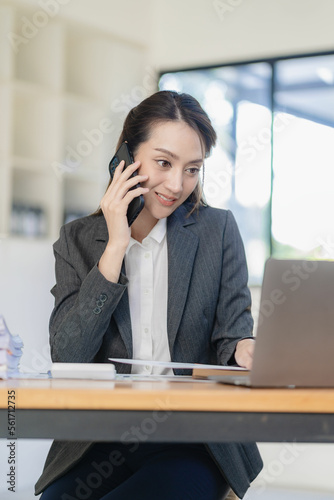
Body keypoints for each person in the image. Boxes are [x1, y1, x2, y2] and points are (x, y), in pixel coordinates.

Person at [35, 90, 262, 499]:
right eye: (163, 163)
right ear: (126, 157)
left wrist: (248, 349)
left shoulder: (218, 231)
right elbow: (68, 355)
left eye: (192, 169)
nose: (177, 184)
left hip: (192, 439)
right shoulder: (79, 240)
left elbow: (233, 335)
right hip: (100, 440)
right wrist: (117, 247)